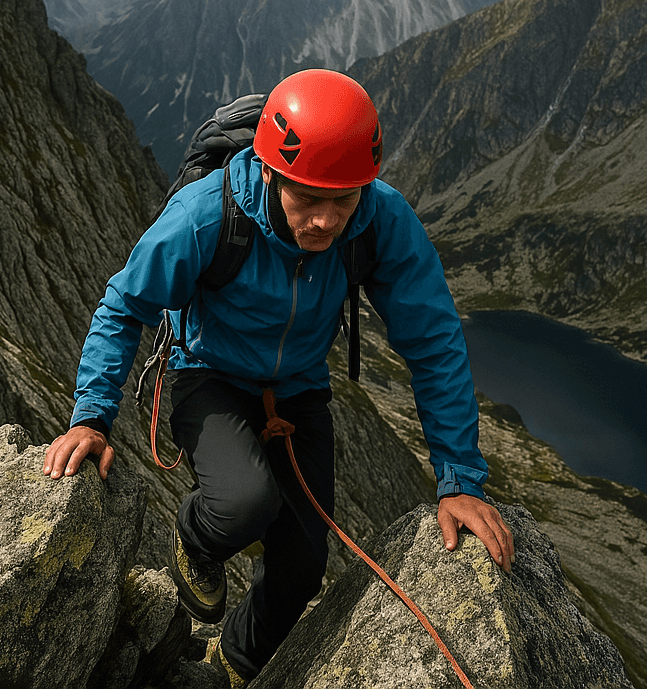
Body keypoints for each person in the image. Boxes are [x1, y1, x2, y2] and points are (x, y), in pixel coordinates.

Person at [44, 69, 513, 685]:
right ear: (270, 172)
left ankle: (235, 664)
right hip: (205, 374)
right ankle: (197, 538)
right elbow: (126, 304)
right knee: (244, 504)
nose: (323, 221)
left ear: (363, 190)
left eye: (341, 201)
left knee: (303, 568)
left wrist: (459, 480)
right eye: (306, 199)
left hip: (296, 390)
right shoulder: (207, 216)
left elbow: (433, 340)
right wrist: (91, 417)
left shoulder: (380, 220)